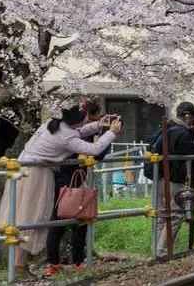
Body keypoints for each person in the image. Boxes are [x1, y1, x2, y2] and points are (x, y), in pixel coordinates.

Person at [0, 104, 121, 277]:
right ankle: (18, 265)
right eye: (86, 118)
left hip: (23, 169)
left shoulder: (53, 124)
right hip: (36, 175)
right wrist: (112, 132)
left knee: (24, 216)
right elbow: (94, 149)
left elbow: (78, 132)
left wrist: (99, 125)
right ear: (77, 120)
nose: (87, 121)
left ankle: (19, 265)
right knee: (32, 217)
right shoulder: (66, 137)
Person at [45, 100, 119, 274]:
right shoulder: (74, 133)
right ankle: (75, 261)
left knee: (59, 220)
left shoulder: (63, 128)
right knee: (77, 219)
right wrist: (109, 133)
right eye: (92, 119)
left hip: (63, 177)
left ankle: (54, 262)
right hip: (72, 179)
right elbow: (96, 153)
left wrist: (102, 129)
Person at [147, 101, 194, 259]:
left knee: (162, 215)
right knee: (176, 214)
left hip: (157, 176)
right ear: (188, 116)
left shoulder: (166, 127)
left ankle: (156, 251)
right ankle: (163, 252)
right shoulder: (181, 133)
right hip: (172, 178)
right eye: (193, 118)